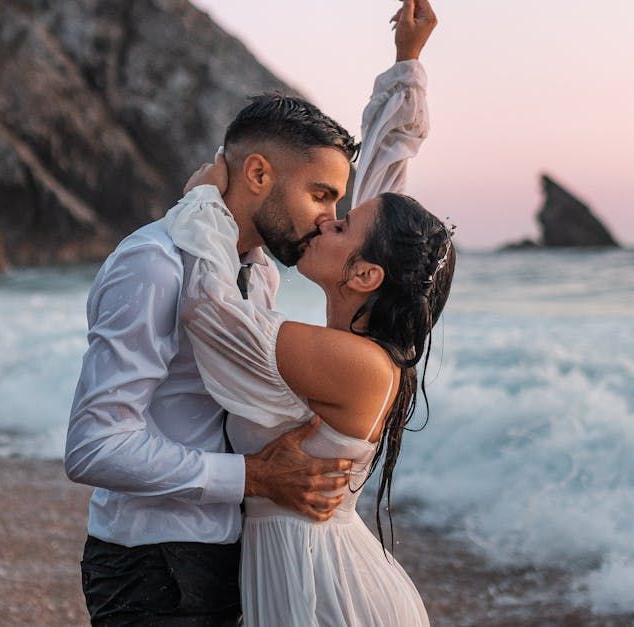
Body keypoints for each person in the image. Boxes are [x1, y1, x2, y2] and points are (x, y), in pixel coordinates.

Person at [167, 0, 446, 623]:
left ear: (364, 275)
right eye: (329, 204)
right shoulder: (352, 339)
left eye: (338, 222)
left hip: (331, 592)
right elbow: (377, 196)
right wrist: (407, 68)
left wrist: (203, 204)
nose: (325, 217)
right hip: (300, 571)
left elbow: (213, 314)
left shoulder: (359, 365)